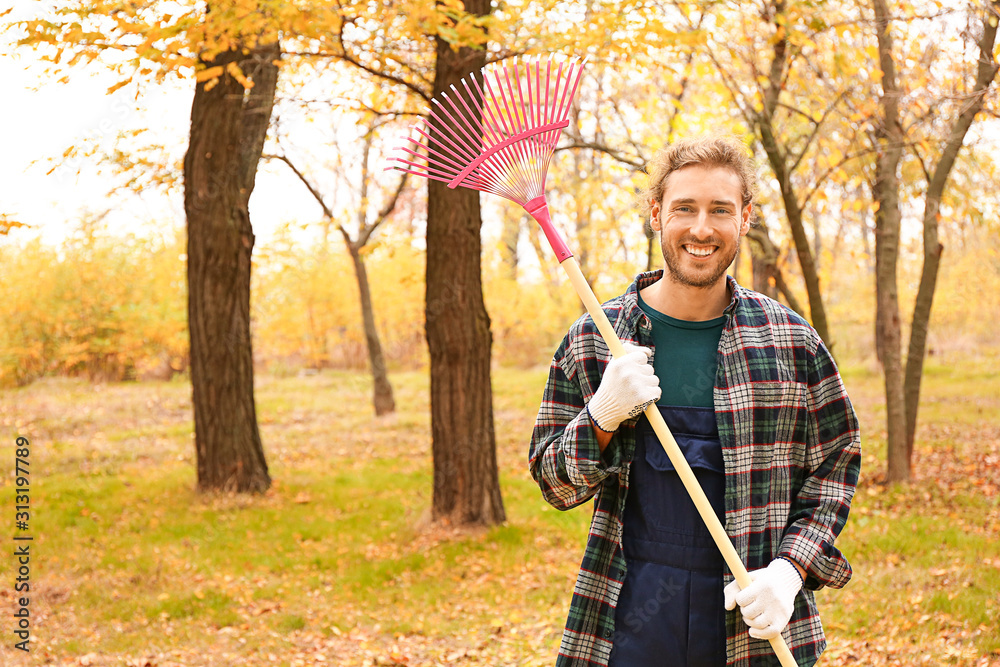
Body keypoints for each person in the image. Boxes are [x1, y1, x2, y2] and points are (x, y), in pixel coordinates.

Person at [528, 136, 861, 667]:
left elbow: (835, 468)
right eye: (685, 208)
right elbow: (554, 483)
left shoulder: (792, 344)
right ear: (656, 214)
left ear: (745, 218)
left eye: (720, 211)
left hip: (751, 626)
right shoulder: (596, 339)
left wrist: (789, 572)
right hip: (630, 620)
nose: (701, 228)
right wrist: (602, 416)